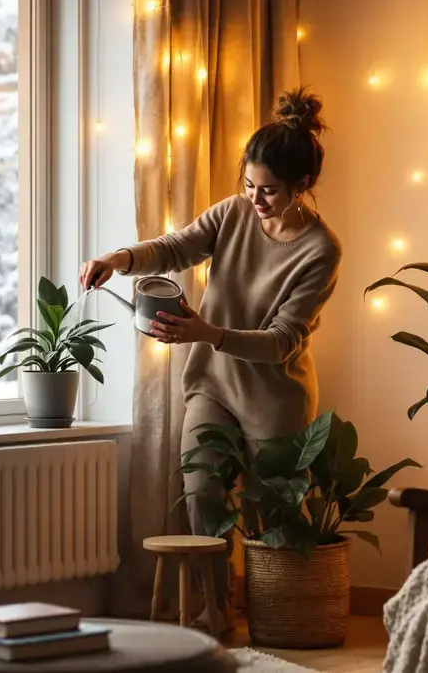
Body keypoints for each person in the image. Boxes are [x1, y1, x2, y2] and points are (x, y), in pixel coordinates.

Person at [78, 88, 341, 633]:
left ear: (302, 185)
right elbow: (176, 247)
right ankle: (215, 611)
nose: (255, 198)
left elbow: (283, 341)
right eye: (249, 185)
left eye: (268, 190)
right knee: (201, 494)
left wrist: (208, 332)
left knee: (271, 515)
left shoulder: (321, 249)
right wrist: (118, 258)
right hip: (213, 385)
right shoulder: (233, 212)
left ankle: (274, 623)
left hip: (275, 398)